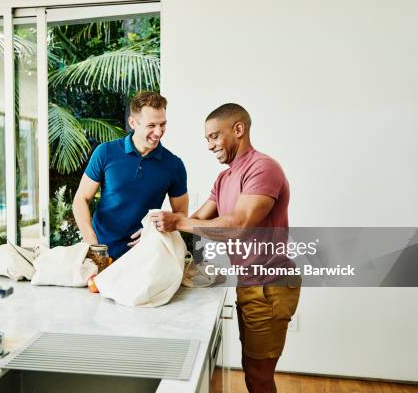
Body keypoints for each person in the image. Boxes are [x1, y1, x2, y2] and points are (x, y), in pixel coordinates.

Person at [151, 103, 300, 393]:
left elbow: (239, 224)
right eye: (206, 139)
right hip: (249, 284)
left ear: (239, 130)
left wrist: (178, 222)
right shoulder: (224, 178)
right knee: (252, 370)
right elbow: (195, 220)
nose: (209, 146)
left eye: (214, 136)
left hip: (270, 286)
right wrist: (153, 233)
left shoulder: (263, 167)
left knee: (258, 376)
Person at [72, 91, 188, 259]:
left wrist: (153, 231)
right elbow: (80, 199)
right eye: (151, 125)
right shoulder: (105, 152)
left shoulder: (174, 165)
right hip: (101, 253)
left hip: (145, 257)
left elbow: (181, 215)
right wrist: (93, 243)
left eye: (162, 124)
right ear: (133, 123)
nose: (158, 132)